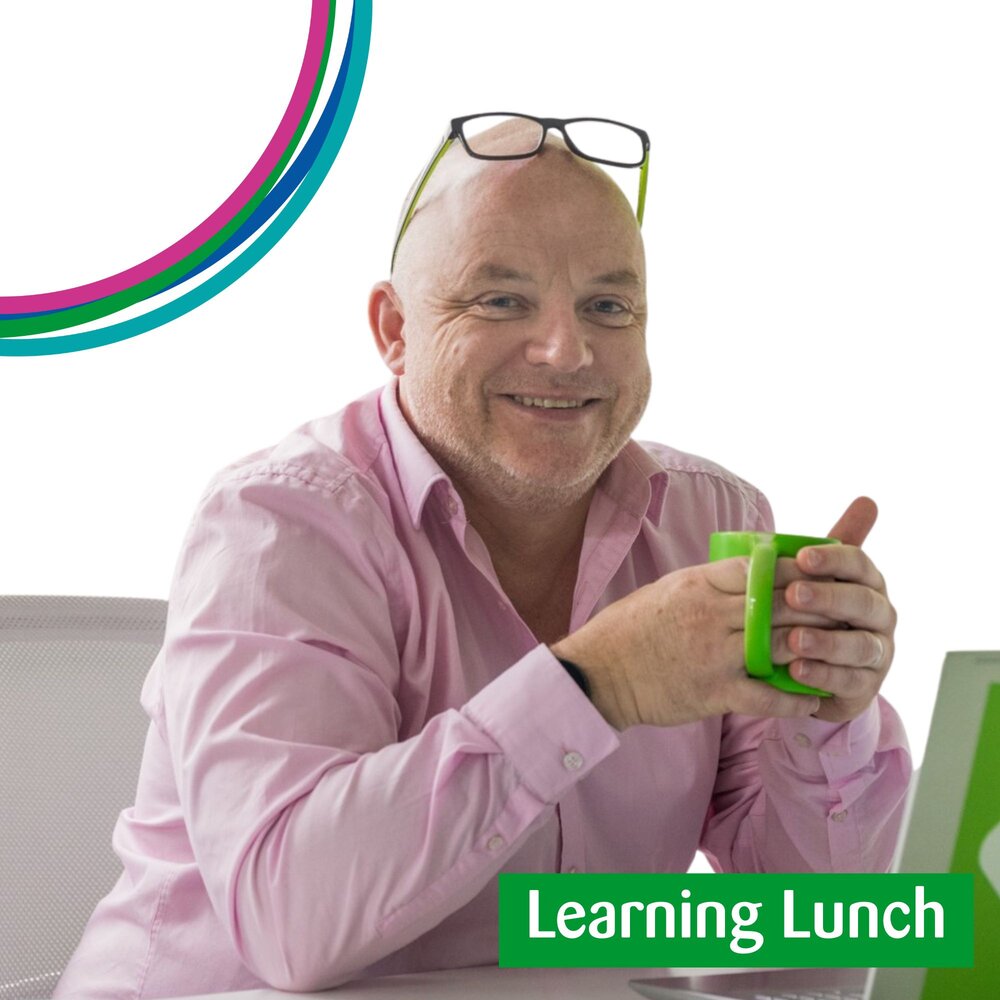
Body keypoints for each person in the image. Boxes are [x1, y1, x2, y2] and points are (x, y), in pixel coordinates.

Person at [54, 114, 910, 999]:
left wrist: (827, 713)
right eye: (500, 300)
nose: (566, 351)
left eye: (608, 307)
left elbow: (811, 938)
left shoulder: (713, 517)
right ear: (393, 327)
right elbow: (290, 923)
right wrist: (595, 684)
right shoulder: (278, 524)